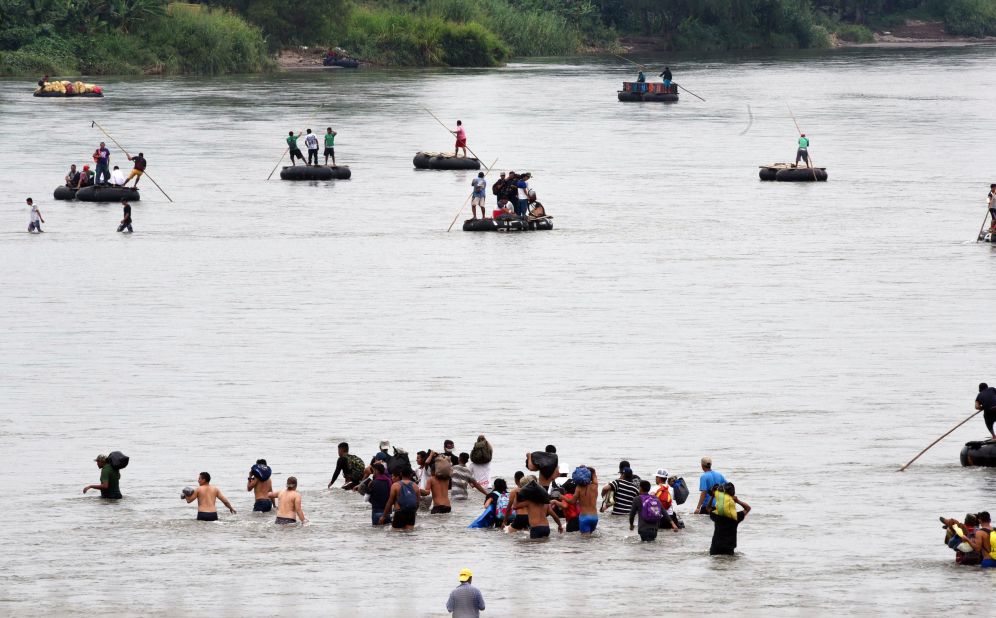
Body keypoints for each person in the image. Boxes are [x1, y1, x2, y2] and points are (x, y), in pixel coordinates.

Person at [709, 482, 750, 555]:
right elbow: (747, 508)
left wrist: (713, 496)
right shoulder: (736, 517)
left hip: (716, 547)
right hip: (729, 548)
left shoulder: (717, 516)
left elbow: (708, 508)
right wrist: (738, 501)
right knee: (729, 565)